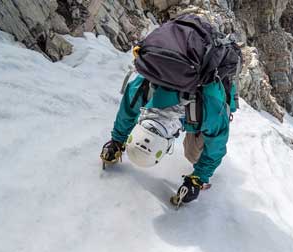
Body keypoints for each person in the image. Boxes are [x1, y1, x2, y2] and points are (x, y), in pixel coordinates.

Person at [100, 14, 241, 205]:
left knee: (192, 154)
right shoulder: (145, 87)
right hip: (189, 90)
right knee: (194, 150)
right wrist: (117, 141)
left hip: (205, 98)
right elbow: (127, 111)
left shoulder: (207, 108)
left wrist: (199, 177)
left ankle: (201, 170)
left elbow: (217, 144)